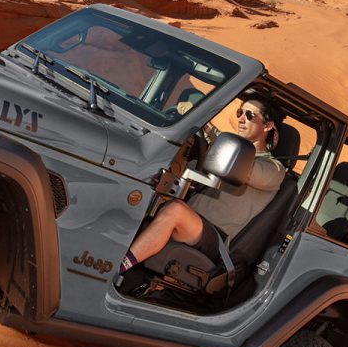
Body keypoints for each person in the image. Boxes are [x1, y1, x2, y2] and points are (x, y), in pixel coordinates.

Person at [120, 99, 287, 272]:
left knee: (175, 210)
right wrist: (198, 117)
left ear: (267, 126)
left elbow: (237, 161)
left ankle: (118, 268)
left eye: (250, 115)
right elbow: (218, 140)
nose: (241, 119)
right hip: (192, 218)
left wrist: (213, 135)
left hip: (215, 237)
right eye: (240, 113)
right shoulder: (232, 149)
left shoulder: (273, 169)